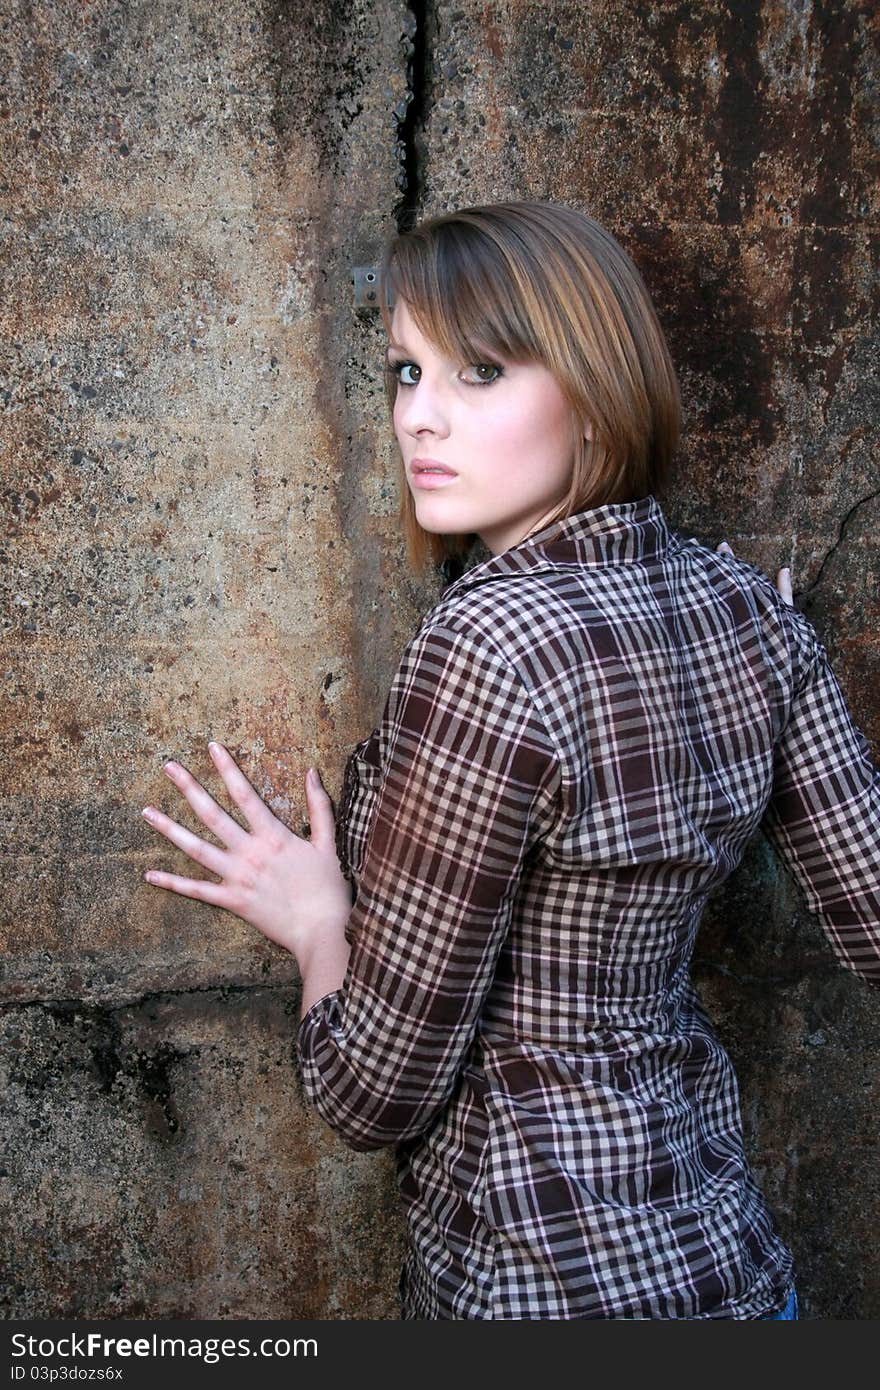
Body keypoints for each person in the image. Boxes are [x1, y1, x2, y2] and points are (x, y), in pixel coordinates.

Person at [142, 201, 880, 1319]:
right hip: (729, 1274)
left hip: (544, 1285)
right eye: (405, 372)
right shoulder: (751, 619)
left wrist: (314, 924)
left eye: (478, 371)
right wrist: (769, 650)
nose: (418, 420)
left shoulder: (487, 644)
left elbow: (372, 1094)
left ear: (594, 389)